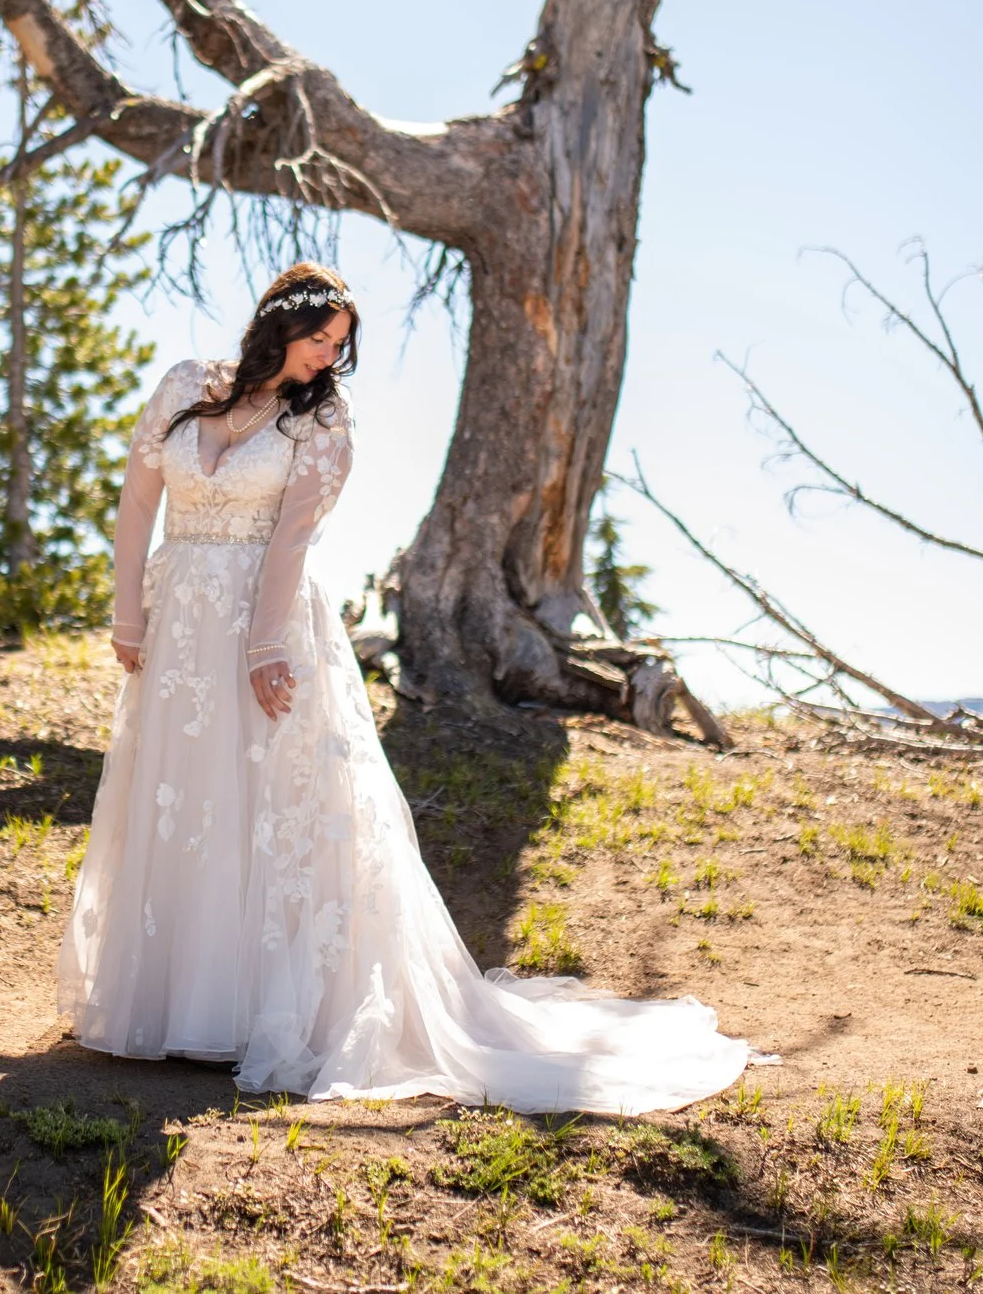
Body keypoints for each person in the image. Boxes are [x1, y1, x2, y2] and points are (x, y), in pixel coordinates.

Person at [58, 263, 749, 1114]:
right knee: (181, 795)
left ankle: (255, 1012)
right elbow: (137, 500)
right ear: (282, 326)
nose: (328, 360)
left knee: (263, 800)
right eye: (321, 340)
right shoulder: (184, 385)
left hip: (261, 621)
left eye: (340, 348)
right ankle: (171, 1001)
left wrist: (266, 645)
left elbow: (292, 543)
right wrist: (128, 610)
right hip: (178, 624)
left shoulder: (324, 421)